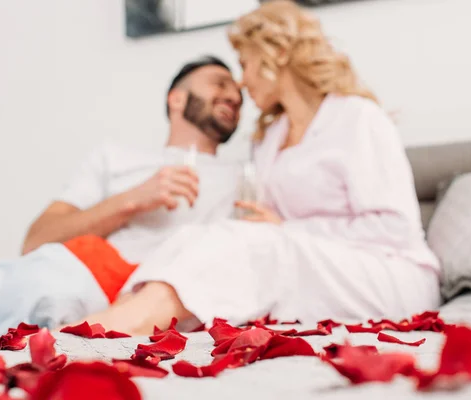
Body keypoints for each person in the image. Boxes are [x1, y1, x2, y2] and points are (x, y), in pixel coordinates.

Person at [72, 0, 442, 336]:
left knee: (261, 244)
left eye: (244, 65)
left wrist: (288, 229)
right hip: (304, 265)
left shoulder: (357, 117)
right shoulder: (268, 140)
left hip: (387, 273)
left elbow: (393, 228)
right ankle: (122, 314)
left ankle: (117, 327)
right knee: (197, 236)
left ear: (277, 54)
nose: (242, 83)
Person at [0, 56, 243, 338]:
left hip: (116, 297)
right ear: (176, 98)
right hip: (49, 268)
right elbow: (35, 240)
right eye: (219, 84)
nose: (234, 96)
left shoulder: (242, 178)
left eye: (238, 94)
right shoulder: (115, 156)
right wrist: (133, 200)